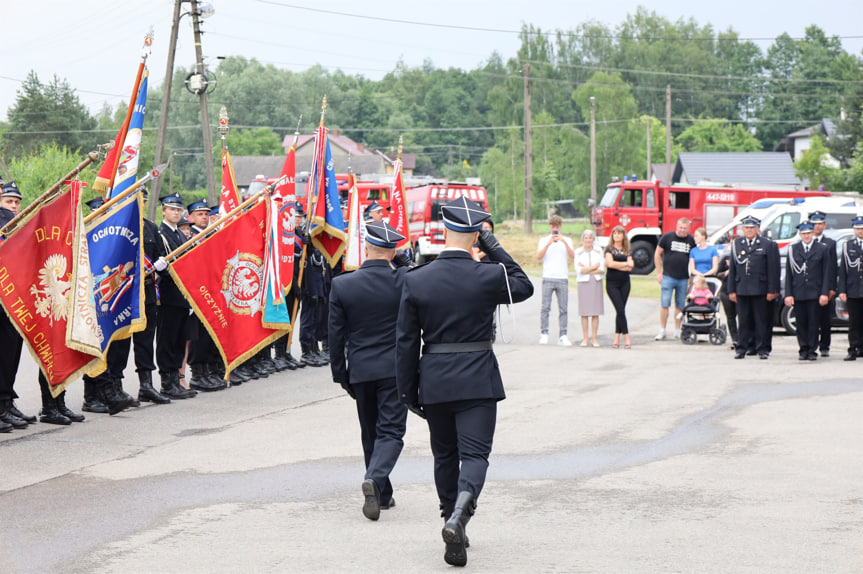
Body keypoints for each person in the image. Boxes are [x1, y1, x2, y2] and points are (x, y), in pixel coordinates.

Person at [396, 196, 533, 567]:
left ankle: (449, 519)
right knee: (475, 456)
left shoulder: (417, 278)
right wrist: (495, 248)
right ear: (475, 236)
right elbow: (523, 285)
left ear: (443, 229)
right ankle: (461, 515)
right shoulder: (488, 275)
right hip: (477, 378)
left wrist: (408, 390)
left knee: (445, 455)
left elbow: (406, 341)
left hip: (435, 379)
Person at [329, 221, 411, 521]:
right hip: (395, 368)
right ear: (392, 252)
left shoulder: (342, 284)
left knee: (370, 433)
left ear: (365, 248)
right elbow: (418, 280)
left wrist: (341, 374)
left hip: (360, 369)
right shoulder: (404, 279)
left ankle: (383, 495)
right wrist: (404, 262)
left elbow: (335, 336)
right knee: (391, 431)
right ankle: (375, 480)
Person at [154, 193, 197, 399]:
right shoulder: (160, 233)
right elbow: (156, 264)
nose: (176, 213)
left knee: (180, 339)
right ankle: (166, 382)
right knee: (167, 340)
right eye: (172, 209)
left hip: (182, 295)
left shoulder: (180, 235)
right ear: (163, 211)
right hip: (168, 294)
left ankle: (175, 379)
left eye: (179, 210)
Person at [0, 180, 32, 432]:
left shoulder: (8, 219)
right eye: (7, 198)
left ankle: (6, 401)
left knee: (10, 351)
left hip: (13, 297)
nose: (11, 204)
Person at [727, 215, 781, 360]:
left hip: (761, 289)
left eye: (752, 228)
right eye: (746, 228)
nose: (749, 230)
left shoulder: (767, 244)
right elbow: (733, 268)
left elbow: (773, 269)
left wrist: (772, 290)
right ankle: (742, 348)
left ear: (757, 229)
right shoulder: (737, 243)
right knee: (744, 320)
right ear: (742, 229)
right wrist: (731, 289)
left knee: (761, 320)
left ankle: (762, 348)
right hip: (742, 288)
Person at [784, 221, 831, 360]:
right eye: (804, 234)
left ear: (812, 233)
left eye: (809, 233)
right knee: (801, 323)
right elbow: (789, 273)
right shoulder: (793, 249)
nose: (806, 236)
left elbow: (826, 273)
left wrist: (824, 293)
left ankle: (812, 350)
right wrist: (788, 294)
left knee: (813, 323)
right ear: (800, 234)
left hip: (814, 292)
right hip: (798, 292)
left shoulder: (822, 248)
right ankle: (803, 348)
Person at [536, 214, 575, 346]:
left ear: (560, 226)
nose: (555, 228)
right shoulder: (543, 240)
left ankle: (563, 335)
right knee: (545, 307)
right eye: (553, 226)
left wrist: (563, 241)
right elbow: (539, 257)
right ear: (550, 226)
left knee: (563, 308)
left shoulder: (567, 240)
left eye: (557, 226)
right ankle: (544, 333)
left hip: (562, 277)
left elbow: (572, 256)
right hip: (548, 276)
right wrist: (548, 243)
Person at [654, 218, 695, 340]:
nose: (683, 230)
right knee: (664, 303)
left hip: (683, 278)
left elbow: (694, 258)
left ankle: (677, 330)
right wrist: (659, 272)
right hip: (667, 276)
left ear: (688, 228)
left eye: (685, 228)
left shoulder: (691, 240)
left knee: (680, 305)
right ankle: (662, 330)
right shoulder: (667, 237)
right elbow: (657, 254)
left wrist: (692, 276)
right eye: (681, 228)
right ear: (677, 226)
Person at [809, 210, 837, 357]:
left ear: (824, 225)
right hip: (810, 287)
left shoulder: (830, 244)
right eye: (814, 224)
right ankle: (811, 345)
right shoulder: (805, 242)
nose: (817, 227)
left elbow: (832, 267)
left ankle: (825, 346)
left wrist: (832, 288)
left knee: (825, 319)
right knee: (811, 319)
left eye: (819, 224)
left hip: (825, 286)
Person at [838, 216, 863, 361]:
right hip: (853, 289)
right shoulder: (848, 246)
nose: (861, 231)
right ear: (854, 230)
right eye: (858, 229)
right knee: (854, 322)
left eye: (862, 228)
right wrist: (842, 290)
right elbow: (843, 270)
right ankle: (853, 348)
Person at [604, 226, 634, 349]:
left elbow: (630, 267)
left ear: (623, 236)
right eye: (614, 233)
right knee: (620, 310)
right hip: (612, 284)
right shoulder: (609, 249)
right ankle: (627, 337)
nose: (616, 235)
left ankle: (616, 337)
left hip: (625, 283)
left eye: (619, 233)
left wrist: (620, 265)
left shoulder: (627, 250)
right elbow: (609, 263)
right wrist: (625, 264)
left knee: (620, 311)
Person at [574, 229, 604, 347]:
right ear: (583, 239)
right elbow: (579, 270)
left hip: (596, 282)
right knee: (584, 312)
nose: (588, 240)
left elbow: (601, 269)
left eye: (590, 238)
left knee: (595, 312)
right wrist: (593, 267)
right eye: (586, 238)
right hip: (583, 283)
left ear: (593, 239)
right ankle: (585, 338)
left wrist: (587, 269)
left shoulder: (598, 251)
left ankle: (594, 338)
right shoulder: (578, 252)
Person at [716, 254, 739, 351]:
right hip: (726, 291)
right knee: (730, 316)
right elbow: (717, 274)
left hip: (740, 291)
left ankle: (743, 339)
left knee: (743, 316)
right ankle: (735, 340)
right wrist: (726, 272)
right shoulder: (726, 257)